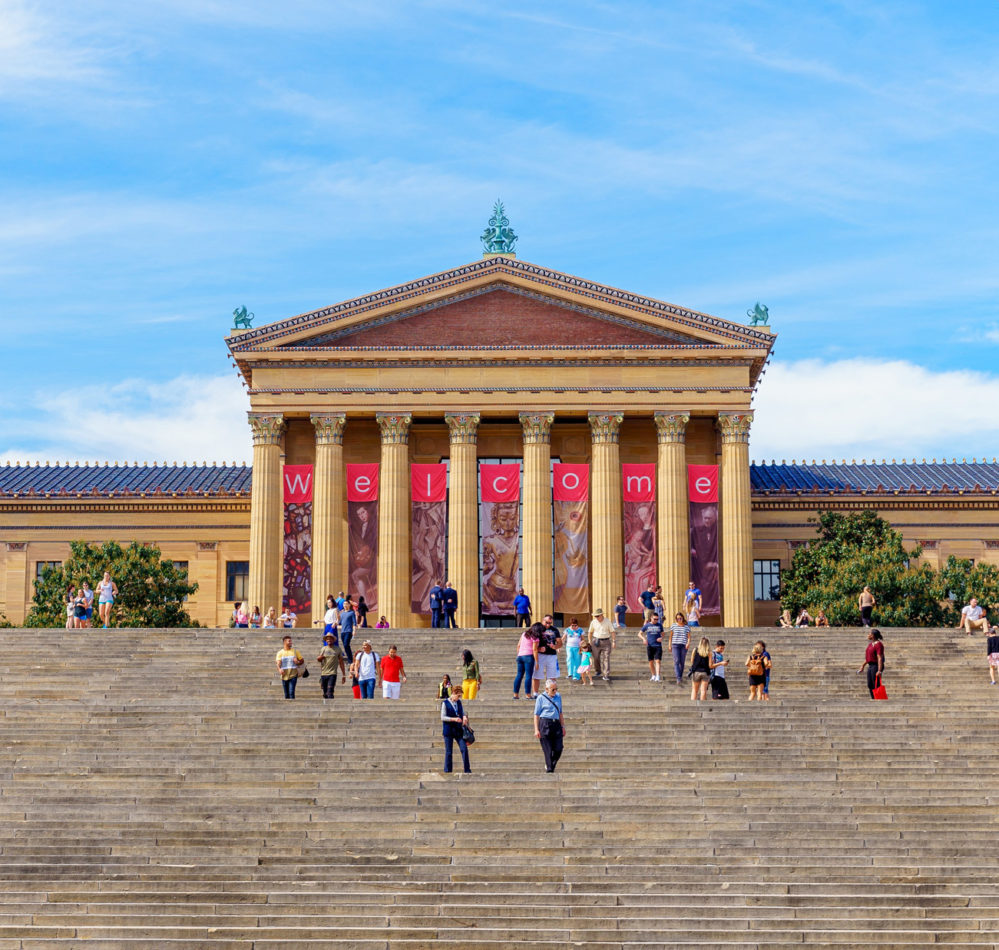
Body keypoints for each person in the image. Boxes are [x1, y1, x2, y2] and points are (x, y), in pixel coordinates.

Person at [534, 679, 565, 773]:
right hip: (545, 723)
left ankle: (550, 764)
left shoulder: (558, 696)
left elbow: (560, 712)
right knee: (548, 749)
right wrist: (536, 729)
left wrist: (563, 726)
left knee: (559, 748)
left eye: (556, 689)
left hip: (556, 723)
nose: (555, 691)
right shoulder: (540, 698)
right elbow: (536, 714)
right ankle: (550, 769)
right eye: (553, 690)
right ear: (547, 689)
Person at [441, 684, 471, 774]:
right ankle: (448, 771)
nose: (459, 698)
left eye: (460, 696)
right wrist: (453, 719)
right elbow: (442, 717)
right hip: (448, 730)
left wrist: (465, 716)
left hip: (458, 730)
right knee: (449, 752)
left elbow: (462, 711)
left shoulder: (459, 702)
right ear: (453, 693)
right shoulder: (445, 703)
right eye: (458, 696)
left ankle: (467, 770)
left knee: (464, 749)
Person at [532, 615, 562, 695]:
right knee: (537, 674)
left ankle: (550, 692)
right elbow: (532, 643)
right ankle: (535, 693)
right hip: (540, 655)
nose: (548, 625)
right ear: (542, 620)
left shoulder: (554, 630)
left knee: (552, 676)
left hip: (551, 655)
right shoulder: (538, 628)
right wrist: (538, 649)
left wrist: (555, 646)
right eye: (546, 622)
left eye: (550, 623)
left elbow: (560, 643)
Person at [586, 609, 615, 681]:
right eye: (595, 616)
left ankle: (606, 674)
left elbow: (612, 631)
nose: (596, 617)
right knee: (596, 657)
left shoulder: (607, 621)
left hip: (606, 641)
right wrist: (589, 641)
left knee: (606, 658)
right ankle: (598, 671)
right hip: (596, 641)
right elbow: (590, 632)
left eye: (598, 616)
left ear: (602, 615)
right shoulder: (593, 622)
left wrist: (614, 641)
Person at [316, 633, 346, 700]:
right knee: (325, 693)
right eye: (327, 639)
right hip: (324, 673)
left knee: (330, 691)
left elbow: (341, 662)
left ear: (333, 640)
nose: (329, 640)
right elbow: (319, 659)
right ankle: (326, 707)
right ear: (326, 640)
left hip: (332, 673)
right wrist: (320, 657)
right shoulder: (323, 649)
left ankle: (331, 706)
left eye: (330, 638)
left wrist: (344, 675)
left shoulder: (337, 649)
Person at [857, 629, 885, 699]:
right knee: (870, 684)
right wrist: (863, 665)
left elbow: (879, 657)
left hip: (876, 665)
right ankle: (874, 699)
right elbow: (869, 658)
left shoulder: (879, 644)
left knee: (876, 684)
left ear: (873, 635)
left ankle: (879, 699)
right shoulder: (870, 644)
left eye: (869, 634)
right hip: (870, 666)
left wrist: (879, 670)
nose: (868, 635)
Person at [275, 635, 304, 700]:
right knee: (286, 694)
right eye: (289, 641)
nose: (291, 642)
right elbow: (278, 663)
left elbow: (302, 660)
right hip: (284, 675)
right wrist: (279, 669)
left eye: (291, 641)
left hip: (293, 675)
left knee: (291, 692)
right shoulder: (280, 652)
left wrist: (298, 662)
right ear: (285, 642)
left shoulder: (295, 651)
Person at [513, 624, 538, 699]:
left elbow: (518, 645)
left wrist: (518, 655)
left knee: (519, 675)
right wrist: (536, 661)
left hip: (520, 656)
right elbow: (534, 649)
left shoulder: (524, 634)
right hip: (529, 656)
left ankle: (515, 694)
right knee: (528, 676)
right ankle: (528, 694)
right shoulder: (535, 636)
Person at [639, 611, 664, 682]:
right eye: (654, 619)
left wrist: (661, 638)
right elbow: (639, 633)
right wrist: (644, 639)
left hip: (658, 645)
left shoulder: (659, 625)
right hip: (650, 645)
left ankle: (658, 676)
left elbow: (663, 634)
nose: (656, 620)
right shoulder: (647, 625)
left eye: (657, 619)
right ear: (651, 618)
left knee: (658, 661)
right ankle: (653, 675)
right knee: (651, 662)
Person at [669, 613, 691, 687]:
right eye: (678, 618)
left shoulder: (686, 627)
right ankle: (678, 678)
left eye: (680, 618)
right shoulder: (673, 626)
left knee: (682, 662)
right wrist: (669, 645)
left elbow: (689, 637)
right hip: (675, 645)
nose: (679, 620)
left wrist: (688, 643)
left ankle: (680, 676)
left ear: (683, 618)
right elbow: (670, 636)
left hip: (683, 646)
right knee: (676, 661)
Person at [689, 636, 712, 701]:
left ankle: (693, 704)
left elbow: (692, 661)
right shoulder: (709, 652)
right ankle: (703, 705)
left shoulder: (695, 650)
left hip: (696, 672)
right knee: (703, 690)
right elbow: (710, 665)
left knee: (694, 690)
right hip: (705, 672)